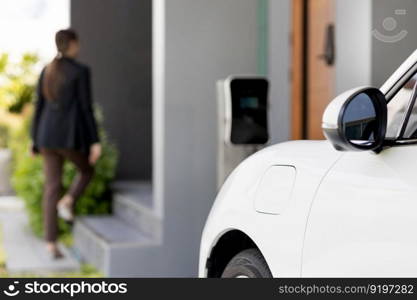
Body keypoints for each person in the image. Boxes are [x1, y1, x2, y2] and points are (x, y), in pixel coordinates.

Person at [31, 29, 102, 259]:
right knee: (87, 170)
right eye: (77, 42)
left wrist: (34, 140)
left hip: (45, 137)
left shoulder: (46, 70)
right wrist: (94, 141)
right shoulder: (80, 71)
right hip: (68, 137)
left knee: (51, 188)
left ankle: (51, 243)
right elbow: (85, 108)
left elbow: (38, 108)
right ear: (72, 44)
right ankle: (68, 200)